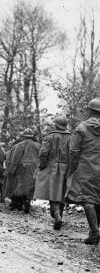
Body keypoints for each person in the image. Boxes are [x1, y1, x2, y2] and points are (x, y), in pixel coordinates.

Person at [66, 98, 100, 244]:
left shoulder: (81, 128)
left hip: (86, 167)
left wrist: (72, 169)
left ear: (90, 110)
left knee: (88, 198)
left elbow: (73, 151)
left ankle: (94, 232)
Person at [34, 116, 70, 230]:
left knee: (53, 192)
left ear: (55, 125)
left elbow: (44, 152)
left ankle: (57, 215)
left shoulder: (50, 137)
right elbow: (74, 153)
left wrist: (42, 165)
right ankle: (60, 215)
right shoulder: (71, 138)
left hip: (52, 167)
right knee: (62, 192)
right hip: (67, 167)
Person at [7, 129, 40, 213]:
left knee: (20, 185)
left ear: (24, 136)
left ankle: (20, 202)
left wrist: (12, 170)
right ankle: (28, 200)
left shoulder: (20, 145)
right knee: (31, 185)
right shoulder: (38, 145)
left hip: (23, 166)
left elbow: (16, 158)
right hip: (34, 167)